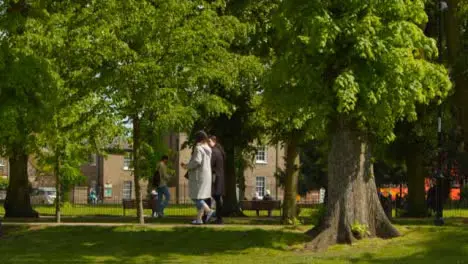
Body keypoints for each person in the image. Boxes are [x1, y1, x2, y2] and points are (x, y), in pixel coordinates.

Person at [182, 130, 214, 225]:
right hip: (206, 175)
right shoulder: (208, 149)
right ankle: (199, 219)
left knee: (195, 197)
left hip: (198, 176)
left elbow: (197, 161)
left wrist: (186, 166)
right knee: (201, 197)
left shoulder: (198, 148)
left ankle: (208, 211)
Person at [208, 135, 226, 224]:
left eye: (209, 142)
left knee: (213, 197)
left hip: (215, 178)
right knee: (218, 198)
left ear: (213, 141)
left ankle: (214, 217)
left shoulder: (214, 151)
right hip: (219, 178)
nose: (208, 143)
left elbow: (209, 165)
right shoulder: (219, 151)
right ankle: (219, 218)